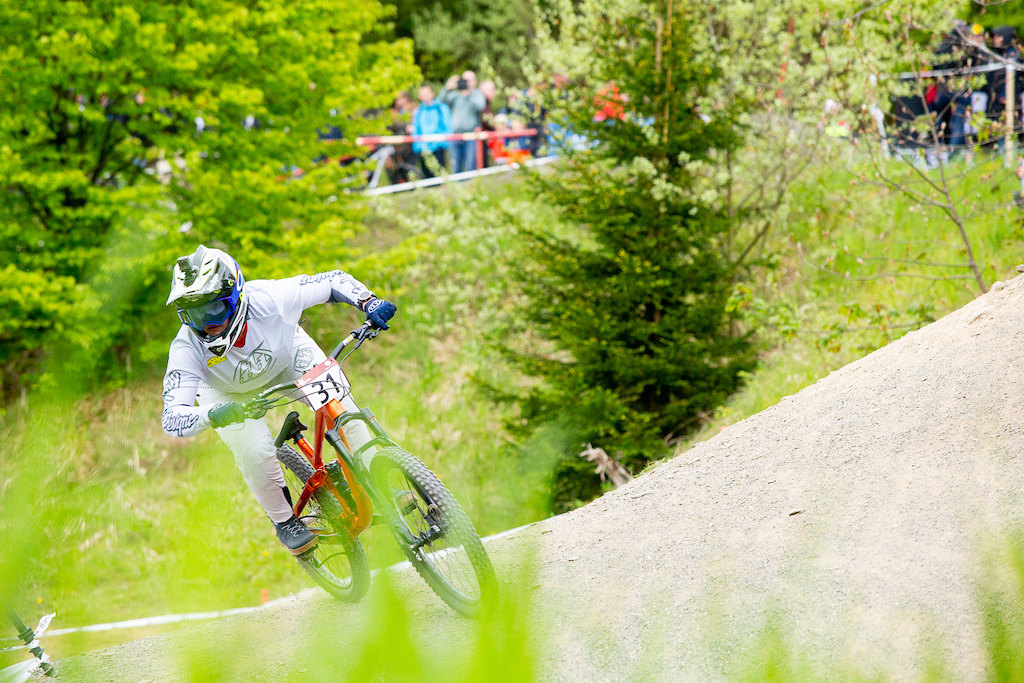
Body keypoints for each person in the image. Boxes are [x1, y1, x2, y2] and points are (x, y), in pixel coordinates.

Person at [161, 245, 397, 555]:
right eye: (192, 315)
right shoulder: (185, 348)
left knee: (342, 408)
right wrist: (213, 414)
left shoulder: (270, 297)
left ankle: (377, 478)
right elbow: (171, 418)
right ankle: (285, 521)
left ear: (236, 297)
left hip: (287, 358)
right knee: (255, 449)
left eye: (213, 309)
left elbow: (332, 281)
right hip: (228, 396)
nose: (207, 325)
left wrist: (369, 302)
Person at [441, 71, 486, 173]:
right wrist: (448, 87)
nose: (466, 82)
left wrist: (469, 93)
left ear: (475, 81)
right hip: (456, 135)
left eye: (469, 80)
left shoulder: (477, 94)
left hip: (471, 135)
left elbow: (480, 106)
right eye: (464, 80)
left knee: (470, 166)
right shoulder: (456, 95)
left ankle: (471, 187)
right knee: (455, 167)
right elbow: (441, 100)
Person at [412, 85, 451, 178]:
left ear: (432, 93)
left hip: (439, 146)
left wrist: (446, 142)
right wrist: (417, 146)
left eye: (426, 93)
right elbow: (415, 129)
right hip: (423, 147)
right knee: (426, 176)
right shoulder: (418, 111)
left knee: (440, 174)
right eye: (422, 94)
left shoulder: (441, 108)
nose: (425, 96)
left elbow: (447, 126)